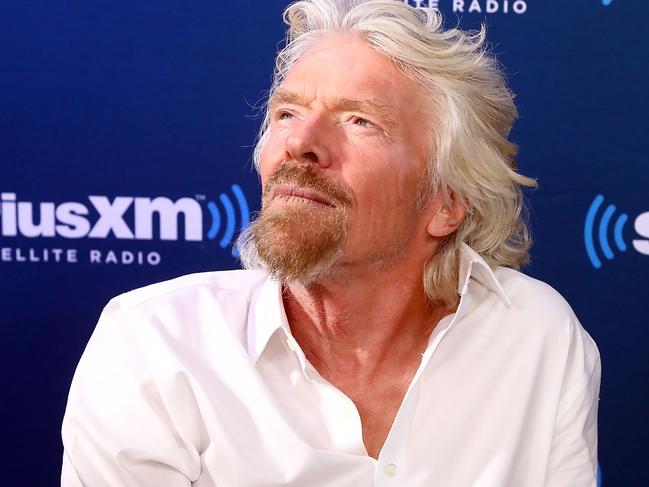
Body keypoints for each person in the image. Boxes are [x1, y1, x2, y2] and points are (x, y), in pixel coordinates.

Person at [61, 0, 601, 485]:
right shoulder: (155, 345)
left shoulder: (538, 337)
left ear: (446, 202)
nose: (300, 143)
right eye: (286, 113)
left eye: (360, 120)